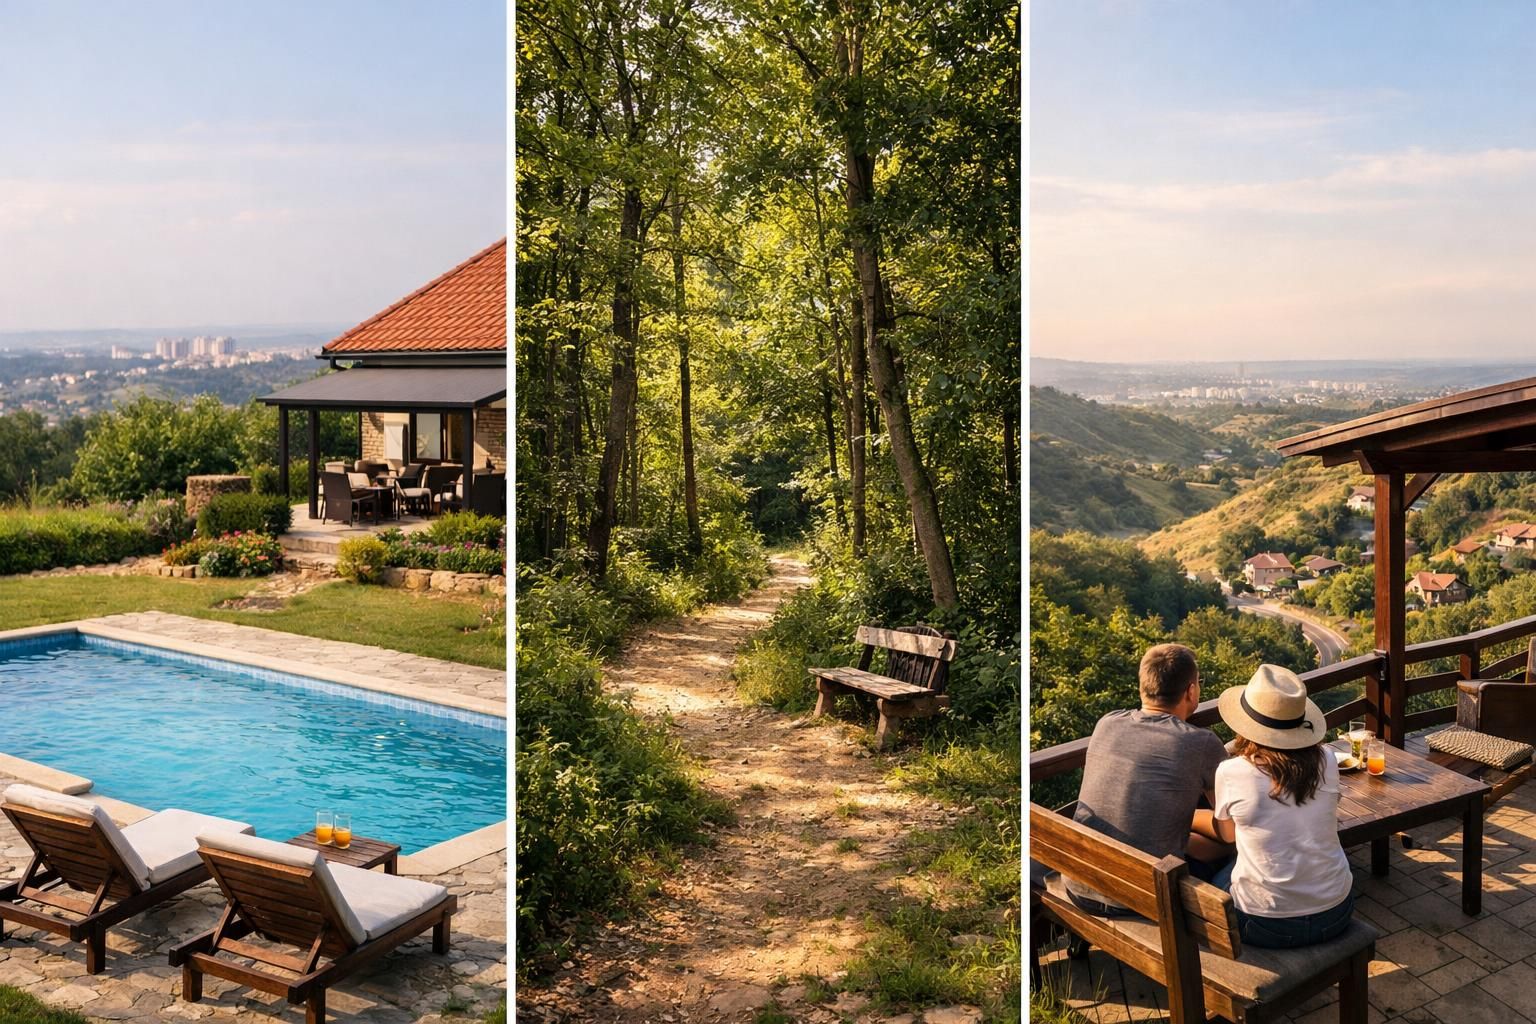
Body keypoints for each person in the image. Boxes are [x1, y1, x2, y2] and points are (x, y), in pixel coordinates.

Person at [1066, 643, 1232, 915]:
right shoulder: (1201, 742)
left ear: (1144, 687)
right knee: (1237, 853)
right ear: (1191, 690)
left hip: (1078, 884)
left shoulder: (1107, 722)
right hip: (1143, 898)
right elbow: (1227, 828)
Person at [1210, 663, 1355, 948]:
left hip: (1265, 926)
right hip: (1337, 911)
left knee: (1216, 877)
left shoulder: (1232, 771)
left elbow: (1227, 835)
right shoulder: (1327, 759)